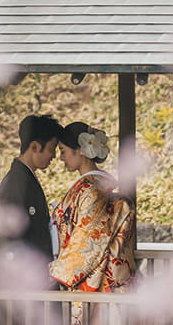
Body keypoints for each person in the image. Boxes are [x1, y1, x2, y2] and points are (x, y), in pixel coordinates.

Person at [49, 122, 136, 295]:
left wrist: (56, 269)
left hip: (98, 278)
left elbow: (86, 240)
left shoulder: (91, 190)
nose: (61, 158)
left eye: (63, 151)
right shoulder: (94, 186)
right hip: (99, 274)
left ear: (80, 150)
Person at [0, 113, 62, 288]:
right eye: (52, 148)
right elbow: (11, 239)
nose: (53, 155)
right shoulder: (16, 182)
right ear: (34, 146)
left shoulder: (24, 179)